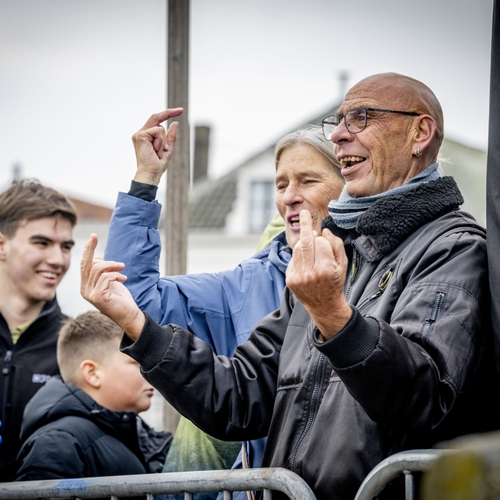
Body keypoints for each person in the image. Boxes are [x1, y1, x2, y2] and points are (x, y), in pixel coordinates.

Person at [81, 72, 496, 500]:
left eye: (361, 117)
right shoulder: (331, 259)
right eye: (338, 121)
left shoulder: (455, 250)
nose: (339, 134)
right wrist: (136, 324)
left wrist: (334, 315)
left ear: (420, 132)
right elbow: (239, 400)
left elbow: (423, 398)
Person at [102, 110, 344, 494]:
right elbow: (133, 298)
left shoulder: (382, 268)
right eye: (281, 185)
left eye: (308, 180)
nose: (290, 196)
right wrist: (145, 181)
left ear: (349, 184)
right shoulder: (247, 283)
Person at [15, 311, 172, 481]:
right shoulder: (57, 444)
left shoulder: (139, 437)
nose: (149, 371)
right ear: (92, 373)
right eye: (136, 363)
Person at [0, 179, 77, 482]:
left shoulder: (78, 344)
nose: (57, 260)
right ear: (2, 245)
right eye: (42, 243)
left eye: (66, 247)